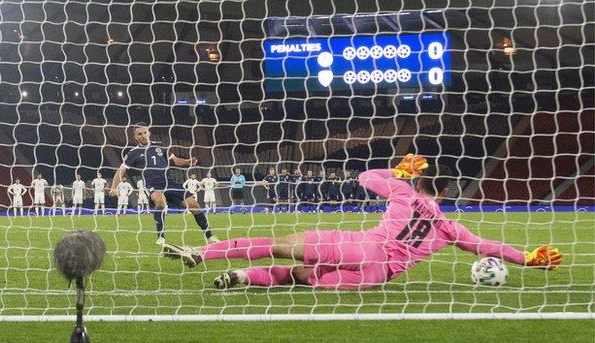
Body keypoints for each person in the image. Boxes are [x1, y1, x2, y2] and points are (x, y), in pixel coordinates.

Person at [162, 154, 563, 290]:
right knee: (303, 277)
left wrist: (397, 172)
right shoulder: (449, 227)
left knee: (281, 244)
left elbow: (365, 179)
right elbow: (486, 247)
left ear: (420, 180)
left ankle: (203, 251)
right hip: (376, 275)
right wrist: (527, 257)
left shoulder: (405, 191)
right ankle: (243, 277)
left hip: (363, 246)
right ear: (446, 193)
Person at [110, 123, 219, 245]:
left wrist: (188, 162)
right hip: (152, 184)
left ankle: (210, 236)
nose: (143, 136)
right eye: (139, 134)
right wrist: (114, 187)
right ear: (135, 137)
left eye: (145, 133)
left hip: (169, 182)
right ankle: (161, 237)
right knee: (160, 200)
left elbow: (176, 161)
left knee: (194, 204)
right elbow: (122, 170)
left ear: (149, 133)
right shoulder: (133, 153)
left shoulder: (160, 146)